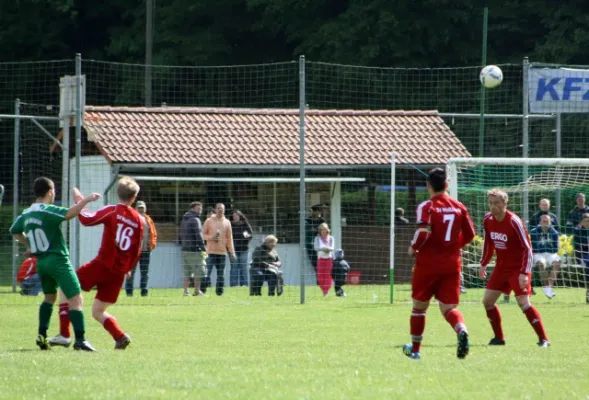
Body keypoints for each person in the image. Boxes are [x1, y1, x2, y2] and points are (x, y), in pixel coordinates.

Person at [49, 178, 144, 350]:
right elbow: (137, 249)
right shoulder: (138, 220)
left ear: (117, 192)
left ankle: (64, 333)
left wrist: (80, 200)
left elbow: (87, 219)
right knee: (98, 311)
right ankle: (120, 336)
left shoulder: (113, 211)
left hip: (102, 265)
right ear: (134, 197)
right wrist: (128, 268)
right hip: (118, 272)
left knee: (65, 286)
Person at [9, 177, 100, 351]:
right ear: (50, 192)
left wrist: (28, 244)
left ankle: (42, 336)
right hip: (57, 260)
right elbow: (69, 213)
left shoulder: (27, 213)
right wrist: (87, 199)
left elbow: (14, 231)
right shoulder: (47, 210)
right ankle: (80, 340)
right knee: (76, 299)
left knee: (49, 298)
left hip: (41, 262)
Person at [402, 168, 475, 360]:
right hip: (452, 264)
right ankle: (461, 330)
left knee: (419, 307)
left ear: (428, 185)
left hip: (428, 264)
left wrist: (413, 248)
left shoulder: (427, 206)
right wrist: (451, 246)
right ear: (447, 185)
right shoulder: (459, 206)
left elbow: (423, 232)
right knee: (449, 308)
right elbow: (470, 234)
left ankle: (416, 350)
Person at [479, 189, 550, 347]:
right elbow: (488, 243)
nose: (493, 206)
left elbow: (528, 248)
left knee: (523, 302)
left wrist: (525, 273)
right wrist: (483, 263)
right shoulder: (487, 220)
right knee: (487, 301)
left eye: (497, 203)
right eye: (490, 203)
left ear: (505, 203)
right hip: (501, 268)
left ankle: (544, 339)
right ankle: (499, 338)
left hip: (518, 268)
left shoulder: (514, 221)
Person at [202, 203, 236, 296]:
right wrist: (211, 237)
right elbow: (203, 235)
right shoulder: (209, 220)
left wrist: (232, 252)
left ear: (224, 210)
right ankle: (202, 291)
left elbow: (230, 239)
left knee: (221, 275)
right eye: (218, 208)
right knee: (206, 273)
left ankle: (219, 293)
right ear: (215, 210)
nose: (220, 210)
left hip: (222, 252)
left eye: (222, 208)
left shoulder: (227, 222)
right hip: (210, 252)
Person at [125, 200, 157, 297]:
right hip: (133, 251)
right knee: (131, 272)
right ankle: (129, 292)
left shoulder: (149, 220)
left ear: (145, 209)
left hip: (146, 250)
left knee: (145, 273)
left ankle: (144, 291)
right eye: (139, 208)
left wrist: (153, 244)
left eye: (142, 208)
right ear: (135, 208)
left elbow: (154, 233)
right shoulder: (131, 219)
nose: (141, 210)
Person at [530, 215, 560, 299]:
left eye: (547, 221)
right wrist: (547, 246)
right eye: (543, 221)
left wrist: (546, 247)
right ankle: (547, 287)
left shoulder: (554, 232)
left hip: (550, 253)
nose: (545, 223)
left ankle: (548, 287)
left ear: (550, 222)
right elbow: (534, 247)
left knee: (557, 263)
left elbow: (555, 248)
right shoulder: (534, 232)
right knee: (541, 264)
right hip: (538, 253)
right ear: (540, 222)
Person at [180, 201, 207, 297]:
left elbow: (181, 235)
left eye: (201, 209)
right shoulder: (196, 220)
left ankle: (185, 292)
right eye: (198, 209)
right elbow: (199, 236)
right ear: (192, 209)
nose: (200, 211)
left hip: (184, 249)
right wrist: (204, 248)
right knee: (198, 271)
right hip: (194, 250)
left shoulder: (184, 219)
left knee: (186, 272)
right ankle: (197, 291)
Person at [230, 210, 253, 287]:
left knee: (243, 267)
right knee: (234, 268)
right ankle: (234, 285)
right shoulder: (230, 224)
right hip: (233, 250)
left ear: (240, 216)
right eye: (233, 216)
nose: (235, 217)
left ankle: (244, 285)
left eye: (236, 215)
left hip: (244, 249)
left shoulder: (244, 224)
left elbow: (250, 235)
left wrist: (247, 236)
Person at [305, 205, 326, 278]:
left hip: (321, 245)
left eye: (319, 211)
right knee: (315, 263)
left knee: (322, 263)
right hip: (311, 245)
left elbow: (325, 231)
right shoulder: (307, 221)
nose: (318, 213)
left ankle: (322, 279)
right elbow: (308, 232)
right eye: (316, 211)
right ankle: (319, 279)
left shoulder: (322, 221)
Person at [314, 222, 335, 296]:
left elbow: (332, 248)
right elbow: (316, 248)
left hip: (329, 259)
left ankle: (326, 291)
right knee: (320, 276)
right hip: (320, 259)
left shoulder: (331, 238)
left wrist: (327, 249)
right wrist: (322, 248)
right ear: (320, 230)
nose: (323, 231)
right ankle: (323, 289)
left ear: (327, 230)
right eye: (322, 229)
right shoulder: (317, 238)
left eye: (325, 229)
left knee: (328, 275)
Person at [573, 213, 589, 304]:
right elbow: (577, 246)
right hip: (582, 254)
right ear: (582, 222)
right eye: (585, 221)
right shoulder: (578, 231)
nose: (587, 223)